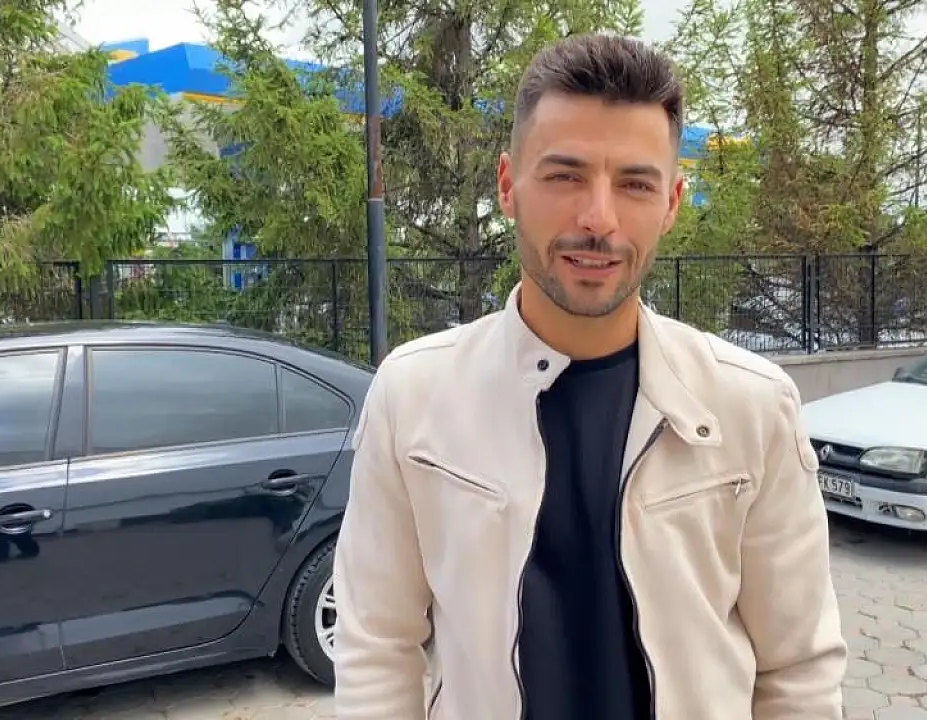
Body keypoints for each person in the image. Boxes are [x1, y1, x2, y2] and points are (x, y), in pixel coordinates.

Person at [330, 33, 847, 720]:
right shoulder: (414, 394)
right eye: (565, 176)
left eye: (635, 184)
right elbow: (377, 645)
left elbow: (799, 668)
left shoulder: (751, 404)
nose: (598, 219)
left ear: (672, 202)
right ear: (508, 185)